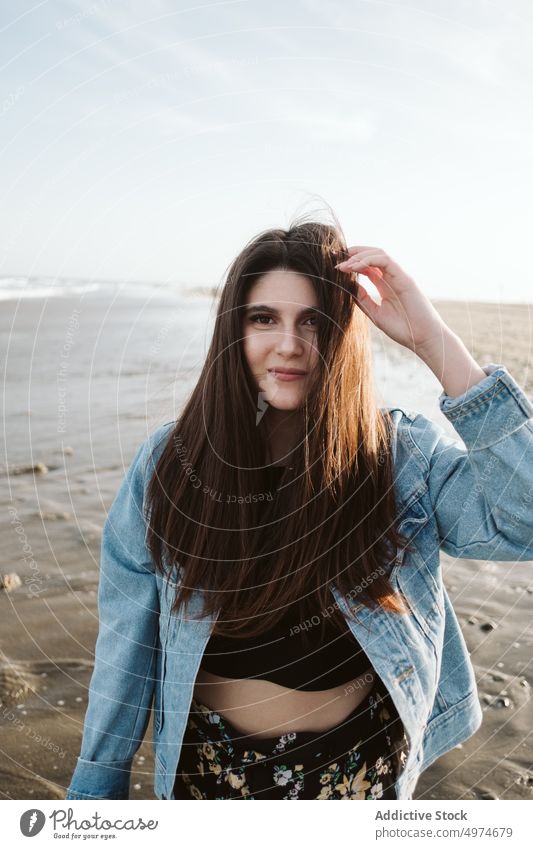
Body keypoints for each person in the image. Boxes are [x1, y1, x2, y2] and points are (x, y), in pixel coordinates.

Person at [65, 219, 533, 801]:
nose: (290, 344)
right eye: (265, 318)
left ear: (342, 335)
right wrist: (94, 798)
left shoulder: (398, 461)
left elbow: (525, 518)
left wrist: (433, 341)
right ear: (233, 329)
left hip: (360, 775)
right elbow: (124, 650)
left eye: (313, 321)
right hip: (210, 778)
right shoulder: (170, 465)